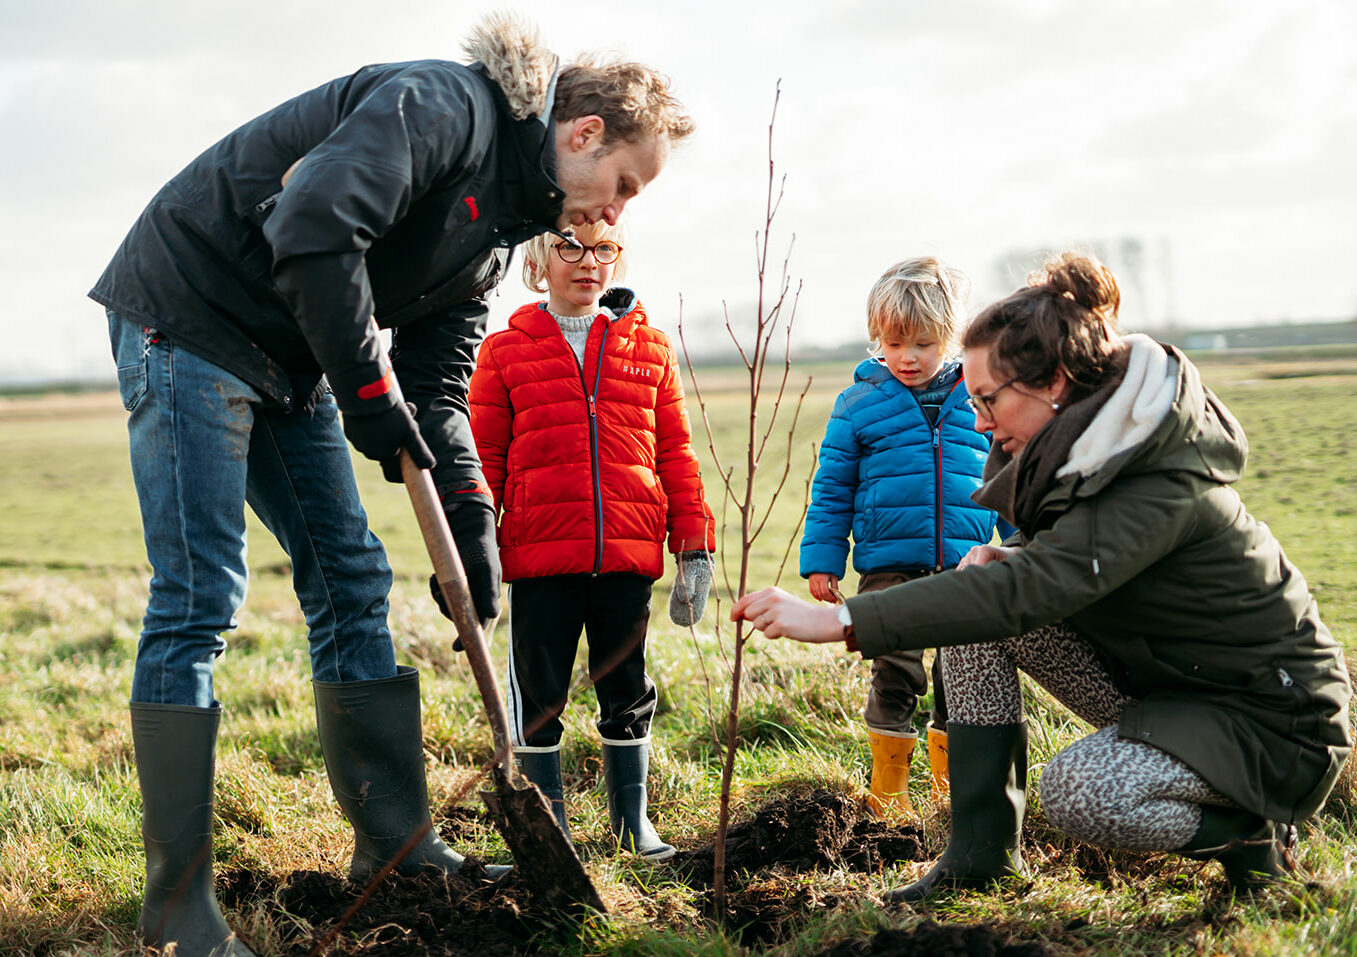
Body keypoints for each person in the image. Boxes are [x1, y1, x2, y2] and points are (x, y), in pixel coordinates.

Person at [90, 13, 692, 956]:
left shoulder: (498, 231)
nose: (616, 213)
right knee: (201, 594)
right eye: (622, 184)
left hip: (288, 357)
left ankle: (398, 844)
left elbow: (439, 387)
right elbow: (314, 225)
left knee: (352, 580)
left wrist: (472, 516)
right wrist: (366, 397)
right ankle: (176, 908)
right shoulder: (442, 106)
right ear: (581, 135)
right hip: (190, 318)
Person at [733, 251, 1351, 902]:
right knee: (971, 615)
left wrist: (839, 620)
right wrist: (1014, 557)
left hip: (1270, 719)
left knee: (1077, 791)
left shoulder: (1155, 477)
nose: (975, 421)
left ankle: (1246, 833)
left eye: (985, 399)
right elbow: (1032, 578)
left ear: (1052, 382)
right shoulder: (1074, 452)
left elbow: (1034, 588)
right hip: (1170, 686)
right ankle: (977, 858)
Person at [467, 221, 715, 861]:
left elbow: (677, 454)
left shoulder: (650, 350)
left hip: (627, 556)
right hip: (542, 556)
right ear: (539, 259)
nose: (587, 261)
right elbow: (482, 460)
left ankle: (633, 825)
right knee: (539, 691)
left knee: (626, 685)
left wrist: (694, 546)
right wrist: (475, 551)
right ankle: (549, 835)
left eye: (603, 248)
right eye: (568, 245)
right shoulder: (503, 352)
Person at [800, 257, 1007, 817]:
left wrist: (1019, 550)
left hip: (969, 567)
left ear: (950, 338)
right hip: (890, 565)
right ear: (877, 339)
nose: (906, 358)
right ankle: (888, 795)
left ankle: (948, 798)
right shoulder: (859, 405)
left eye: (922, 344)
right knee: (895, 672)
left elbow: (1009, 479)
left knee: (959, 680)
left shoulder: (979, 397)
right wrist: (823, 561)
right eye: (893, 343)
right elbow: (832, 488)